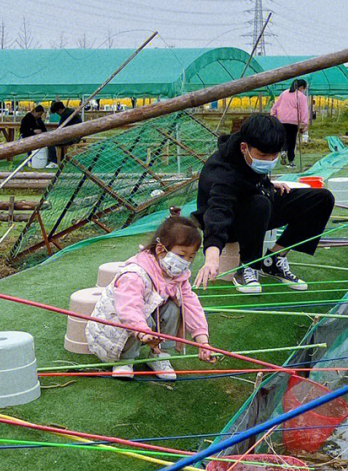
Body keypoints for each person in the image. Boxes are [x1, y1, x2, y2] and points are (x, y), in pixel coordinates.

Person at [193, 114, 334, 294]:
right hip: (228, 225)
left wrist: (269, 184)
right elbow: (217, 212)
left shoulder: (250, 156)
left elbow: (249, 180)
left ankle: (274, 259)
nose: (269, 161)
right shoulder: (223, 171)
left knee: (322, 199)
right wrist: (212, 258)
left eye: (274, 155)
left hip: (255, 211)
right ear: (244, 147)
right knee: (260, 202)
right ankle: (248, 266)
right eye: (263, 155)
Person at [85, 212, 213, 381]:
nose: (186, 262)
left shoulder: (177, 276)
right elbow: (129, 309)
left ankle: (160, 355)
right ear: (161, 249)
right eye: (181, 255)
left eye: (191, 257)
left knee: (174, 308)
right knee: (142, 314)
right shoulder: (135, 274)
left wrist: (202, 341)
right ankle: (125, 360)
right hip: (115, 328)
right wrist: (143, 332)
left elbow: (191, 305)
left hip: (142, 324)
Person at [270, 79, 310, 165]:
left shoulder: (284, 93)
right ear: (302, 87)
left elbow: (276, 106)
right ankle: (290, 160)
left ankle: (283, 151)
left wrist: (273, 115)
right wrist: (304, 123)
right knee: (291, 141)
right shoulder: (301, 96)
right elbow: (304, 110)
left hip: (281, 120)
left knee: (283, 138)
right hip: (293, 121)